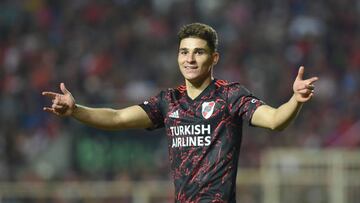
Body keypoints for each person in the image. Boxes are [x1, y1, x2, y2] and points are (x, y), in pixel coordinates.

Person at [42, 23, 318, 202]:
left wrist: (296, 99)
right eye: (184, 52)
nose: (189, 59)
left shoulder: (230, 96)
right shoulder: (168, 101)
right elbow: (117, 118)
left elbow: (275, 121)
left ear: (214, 58)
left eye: (198, 52)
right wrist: (76, 110)